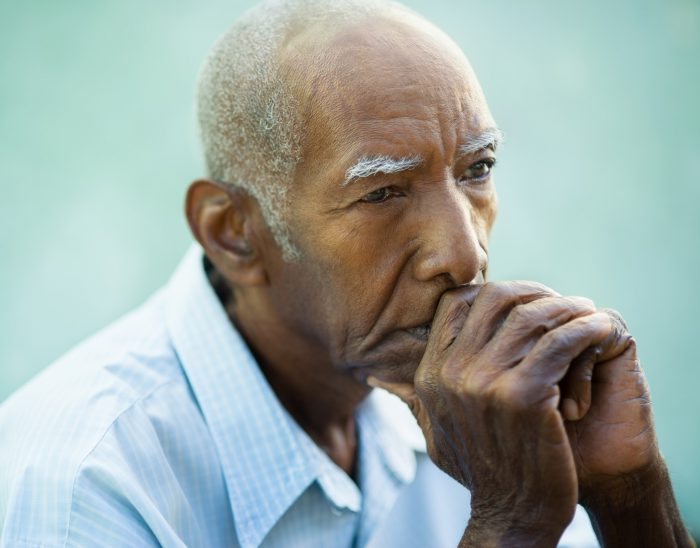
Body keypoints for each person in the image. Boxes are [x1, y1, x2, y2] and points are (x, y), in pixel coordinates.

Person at [0, 0, 692, 546]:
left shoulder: (486, 406)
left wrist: (631, 497)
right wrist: (510, 524)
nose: (464, 255)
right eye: (383, 192)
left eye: (477, 169)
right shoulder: (82, 483)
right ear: (233, 233)